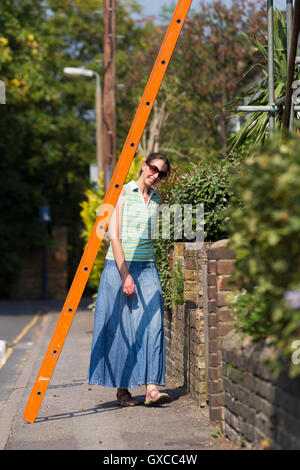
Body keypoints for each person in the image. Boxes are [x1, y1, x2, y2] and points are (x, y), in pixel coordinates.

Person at [87, 152, 171, 406]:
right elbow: (115, 238)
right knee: (120, 327)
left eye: (162, 173)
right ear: (144, 166)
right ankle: (123, 392)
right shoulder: (121, 193)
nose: (157, 176)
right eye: (154, 169)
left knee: (153, 323)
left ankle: (152, 387)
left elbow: (159, 233)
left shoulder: (158, 199)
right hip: (118, 267)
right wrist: (125, 276)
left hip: (147, 267)